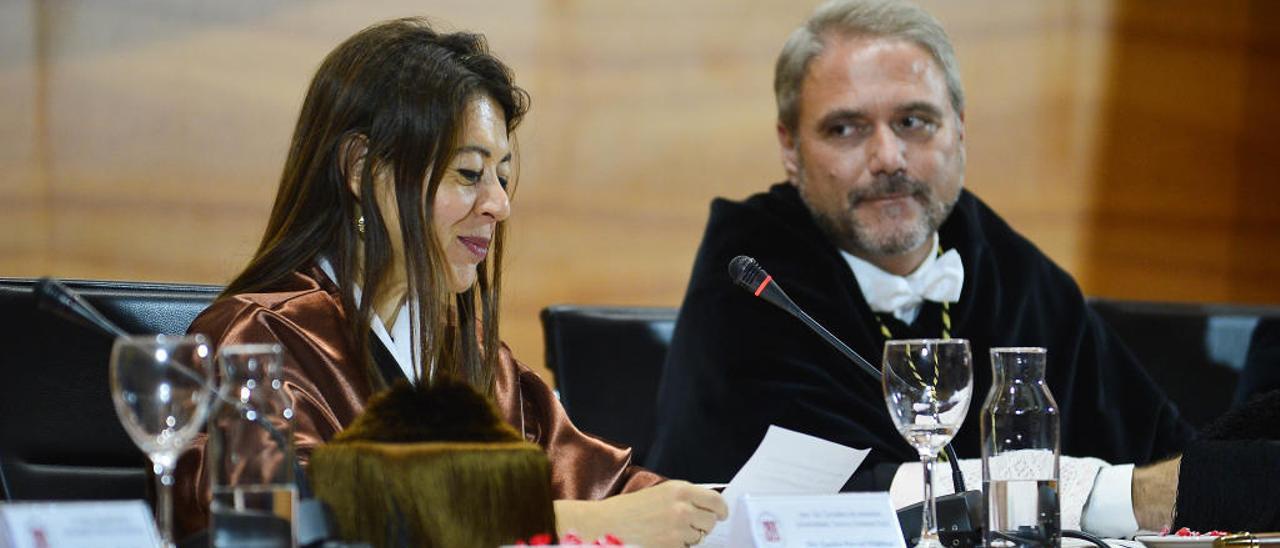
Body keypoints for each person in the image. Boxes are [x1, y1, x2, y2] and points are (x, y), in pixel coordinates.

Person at [646, 0, 1196, 536]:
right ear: (791, 149)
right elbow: (805, 504)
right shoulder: (751, 276)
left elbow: (1163, 444)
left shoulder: (1011, 269)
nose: (888, 157)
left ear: (958, 128)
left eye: (913, 121)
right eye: (845, 129)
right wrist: (1108, 494)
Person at [173, 18, 726, 547]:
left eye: (503, 176)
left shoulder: (468, 350)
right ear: (364, 170)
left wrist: (703, 510)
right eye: (469, 173)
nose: (499, 205)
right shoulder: (259, 338)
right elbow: (281, 518)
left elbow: (595, 484)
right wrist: (557, 523)